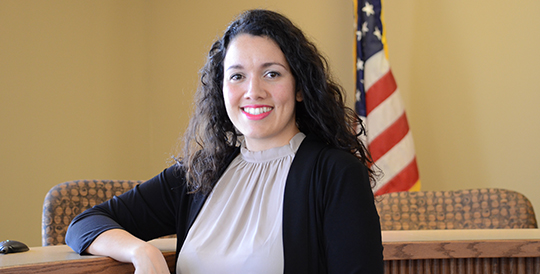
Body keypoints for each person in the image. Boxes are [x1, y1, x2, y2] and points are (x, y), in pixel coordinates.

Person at [66, 9, 384, 274]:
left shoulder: (335, 174)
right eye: (237, 76)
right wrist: (141, 252)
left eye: (271, 74)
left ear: (299, 88)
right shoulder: (200, 174)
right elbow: (84, 224)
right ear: (222, 90)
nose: (253, 90)